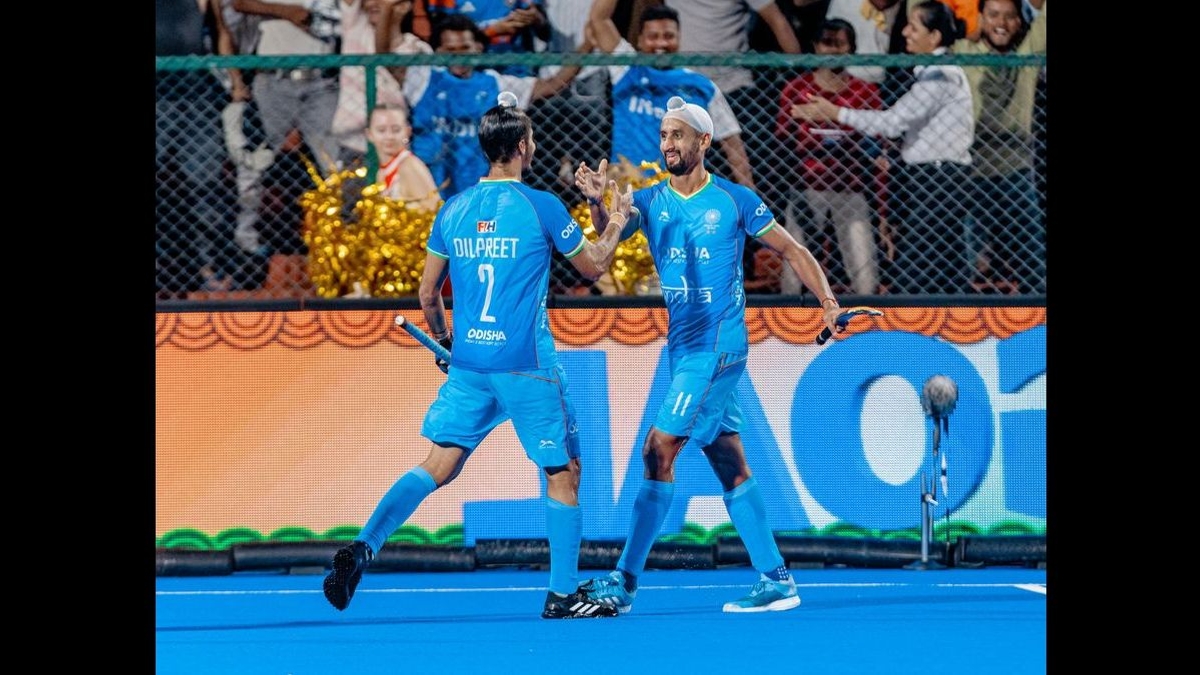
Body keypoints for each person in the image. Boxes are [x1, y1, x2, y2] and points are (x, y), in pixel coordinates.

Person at [322, 91, 630, 619]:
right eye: (531, 138)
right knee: (563, 472)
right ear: (522, 147)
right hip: (527, 366)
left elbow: (428, 295)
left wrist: (445, 343)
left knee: (438, 463)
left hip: (471, 365)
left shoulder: (454, 208)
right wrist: (615, 217)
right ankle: (562, 595)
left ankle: (365, 545)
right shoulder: (542, 205)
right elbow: (595, 266)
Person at [572, 96, 843, 613]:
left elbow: (793, 250)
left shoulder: (735, 200)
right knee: (727, 460)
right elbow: (605, 246)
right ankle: (777, 579)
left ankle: (624, 582)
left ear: (704, 141)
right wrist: (597, 204)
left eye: (678, 135)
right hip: (684, 350)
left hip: (718, 347)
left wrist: (828, 303)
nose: (668, 144)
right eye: (664, 136)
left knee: (658, 450)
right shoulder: (649, 201)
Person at [790, 0, 973, 294]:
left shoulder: (940, 75)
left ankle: (905, 321)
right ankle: (954, 316)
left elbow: (892, 122)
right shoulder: (935, 71)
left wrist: (835, 113)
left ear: (934, 37)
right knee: (947, 265)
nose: (905, 32)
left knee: (913, 269)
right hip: (938, 178)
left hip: (938, 180)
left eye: (914, 27)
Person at [387, 13, 588, 199]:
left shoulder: (495, 83)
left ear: (478, 48)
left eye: (465, 48)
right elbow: (388, 59)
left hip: (480, 192)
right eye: (450, 50)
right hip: (427, 190)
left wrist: (587, 45)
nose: (459, 56)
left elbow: (551, 85)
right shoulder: (423, 78)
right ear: (438, 51)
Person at [587, 1, 757, 189]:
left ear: (679, 38)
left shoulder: (702, 86)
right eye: (653, 37)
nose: (661, 43)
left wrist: (750, 197)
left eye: (668, 36)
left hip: (679, 194)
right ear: (640, 40)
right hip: (626, 189)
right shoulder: (626, 68)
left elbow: (733, 145)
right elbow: (599, 19)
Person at [776, 18, 887, 296]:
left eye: (840, 44)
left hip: (851, 187)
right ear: (816, 46)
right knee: (792, 276)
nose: (833, 50)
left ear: (851, 49)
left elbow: (878, 149)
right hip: (806, 187)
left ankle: (866, 319)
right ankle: (788, 319)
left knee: (865, 276)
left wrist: (883, 210)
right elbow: (781, 144)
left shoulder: (866, 92)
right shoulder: (796, 89)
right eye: (827, 43)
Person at [156, 0, 251, 296]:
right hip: (158, 96)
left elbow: (220, 32)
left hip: (196, 97)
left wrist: (236, 80)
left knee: (206, 186)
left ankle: (208, 266)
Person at [955, 0, 1046, 293]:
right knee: (962, 259)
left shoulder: (1028, 54)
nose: (1002, 23)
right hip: (971, 169)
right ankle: (956, 311)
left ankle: (1038, 310)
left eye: (1009, 16)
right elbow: (921, 12)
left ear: (1019, 22)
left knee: (1034, 258)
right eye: (994, 15)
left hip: (1015, 168)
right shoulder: (962, 50)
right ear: (981, 18)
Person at [230, 0, 344, 173]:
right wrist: (285, 11)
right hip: (274, 78)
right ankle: (249, 191)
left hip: (321, 80)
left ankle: (340, 190)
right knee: (257, 156)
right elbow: (239, 3)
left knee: (332, 157)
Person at [331, 0, 433, 165]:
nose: (375, 3)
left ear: (404, 6)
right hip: (352, 143)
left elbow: (384, 54)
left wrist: (388, 11)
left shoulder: (416, 47)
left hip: (392, 144)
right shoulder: (355, 27)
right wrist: (387, 6)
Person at [426, 0, 550, 77]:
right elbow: (443, 35)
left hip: (516, 69)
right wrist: (492, 31)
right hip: (473, 72)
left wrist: (533, 17)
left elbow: (545, 33)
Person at [364, 103, 442, 210]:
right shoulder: (382, 172)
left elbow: (433, 210)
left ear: (408, 131)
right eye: (381, 130)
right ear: (369, 134)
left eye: (396, 130)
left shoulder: (408, 166)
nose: (389, 136)